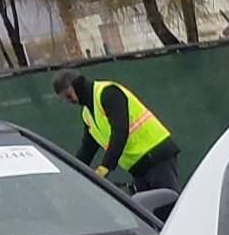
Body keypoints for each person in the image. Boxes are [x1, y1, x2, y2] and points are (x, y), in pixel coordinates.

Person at [53, 69, 182, 196]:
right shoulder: (87, 114)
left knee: (169, 206)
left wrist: (106, 166)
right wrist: (71, 172)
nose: (69, 102)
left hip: (156, 155)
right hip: (139, 167)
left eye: (68, 96)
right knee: (152, 211)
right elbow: (87, 149)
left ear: (77, 85)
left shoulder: (108, 93)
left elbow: (120, 131)